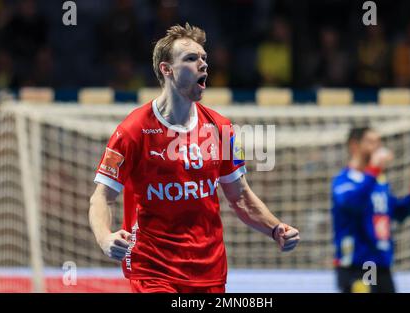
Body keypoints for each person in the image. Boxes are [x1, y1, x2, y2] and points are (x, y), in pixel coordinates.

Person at [89, 23, 300, 293]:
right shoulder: (133, 130)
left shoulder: (221, 128)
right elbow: (101, 196)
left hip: (209, 271)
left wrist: (275, 228)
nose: (203, 64)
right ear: (167, 70)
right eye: (191, 58)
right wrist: (105, 238)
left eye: (204, 58)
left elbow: (241, 197)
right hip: (153, 269)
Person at [331, 127, 410, 293]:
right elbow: (353, 203)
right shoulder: (344, 181)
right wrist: (373, 170)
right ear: (354, 146)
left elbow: (398, 213)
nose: (377, 148)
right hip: (359, 265)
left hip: (381, 264)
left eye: (378, 143)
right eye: (371, 142)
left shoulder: (379, 183)